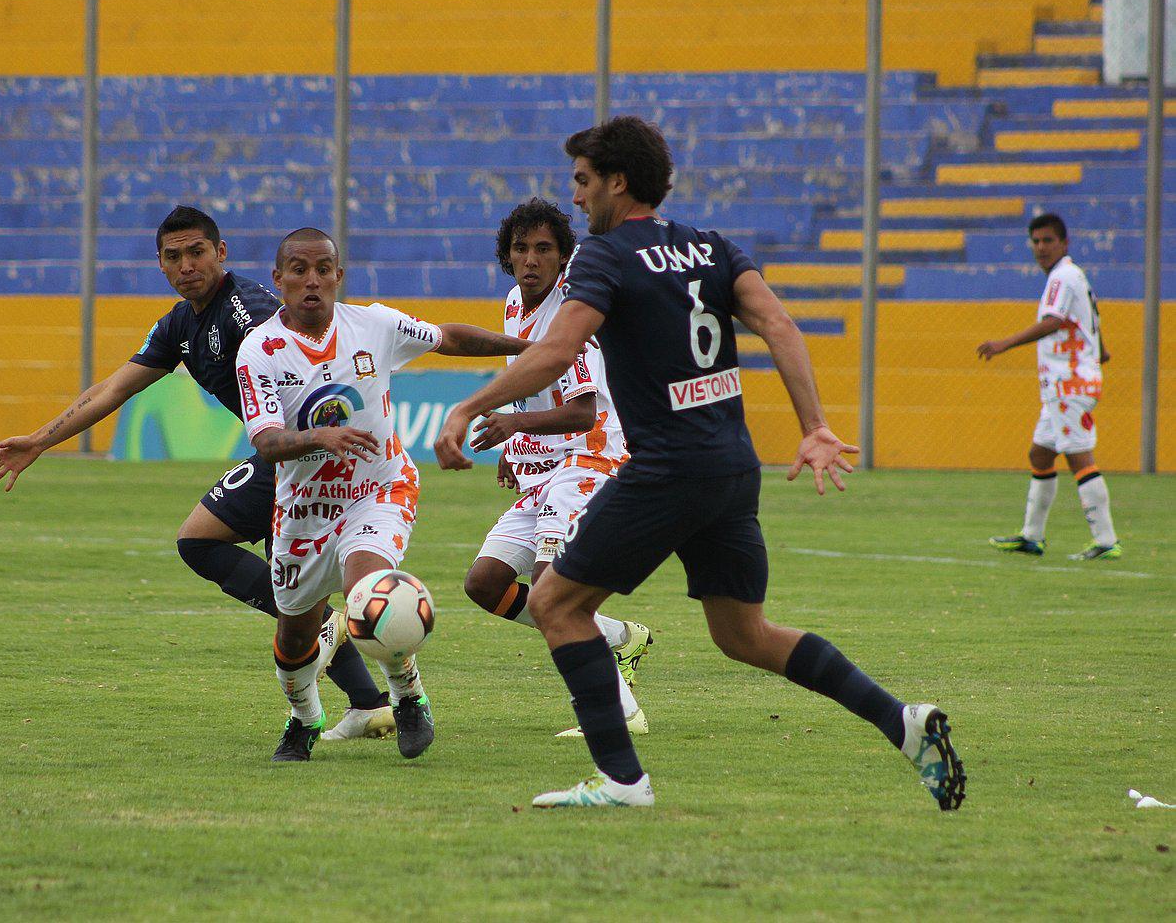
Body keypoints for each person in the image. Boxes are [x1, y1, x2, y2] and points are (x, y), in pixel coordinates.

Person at [434, 116, 966, 811]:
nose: (578, 196)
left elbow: (557, 354)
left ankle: (623, 781)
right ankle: (900, 720)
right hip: (730, 467)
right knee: (745, 634)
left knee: (555, 604)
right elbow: (778, 325)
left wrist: (468, 407)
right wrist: (816, 427)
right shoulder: (714, 249)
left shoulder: (604, 256)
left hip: (664, 468)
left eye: (584, 181)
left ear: (617, 183)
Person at [0, 205, 393, 736]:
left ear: (221, 254)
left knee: (202, 543)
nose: (186, 265)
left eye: (197, 252)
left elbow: (310, 355)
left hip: (306, 461)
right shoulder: (179, 324)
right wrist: (40, 440)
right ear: (161, 265)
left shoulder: (249, 310)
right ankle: (366, 699)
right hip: (284, 459)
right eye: (173, 257)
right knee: (254, 572)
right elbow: (114, 388)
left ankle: (347, 670)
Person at [235, 227, 530, 763]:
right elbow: (265, 441)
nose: (312, 280)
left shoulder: (372, 324)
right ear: (278, 280)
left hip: (379, 488)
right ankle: (304, 719)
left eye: (324, 269)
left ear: (338, 276)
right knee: (294, 639)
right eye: (298, 269)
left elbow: (449, 338)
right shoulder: (261, 351)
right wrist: (319, 437)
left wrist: (533, 351)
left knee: (369, 589)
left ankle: (408, 696)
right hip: (303, 513)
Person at [462, 198, 653, 738]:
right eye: (521, 248)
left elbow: (583, 411)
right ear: (507, 255)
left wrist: (514, 425)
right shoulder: (514, 305)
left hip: (593, 455)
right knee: (485, 583)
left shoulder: (574, 307)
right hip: (546, 467)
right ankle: (619, 638)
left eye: (544, 249)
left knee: (551, 591)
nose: (531, 259)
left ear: (563, 257)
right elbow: (530, 385)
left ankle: (619, 711)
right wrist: (515, 441)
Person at [977, 213, 1120, 561]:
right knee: (1040, 454)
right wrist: (1099, 352)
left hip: (1068, 383)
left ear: (1064, 243)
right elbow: (1090, 318)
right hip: (1063, 383)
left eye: (1048, 240)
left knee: (1078, 456)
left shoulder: (1062, 277)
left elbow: (1054, 321)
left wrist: (1004, 343)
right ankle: (1032, 536)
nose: (1041, 247)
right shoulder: (1073, 276)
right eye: (1036, 241)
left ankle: (1106, 540)